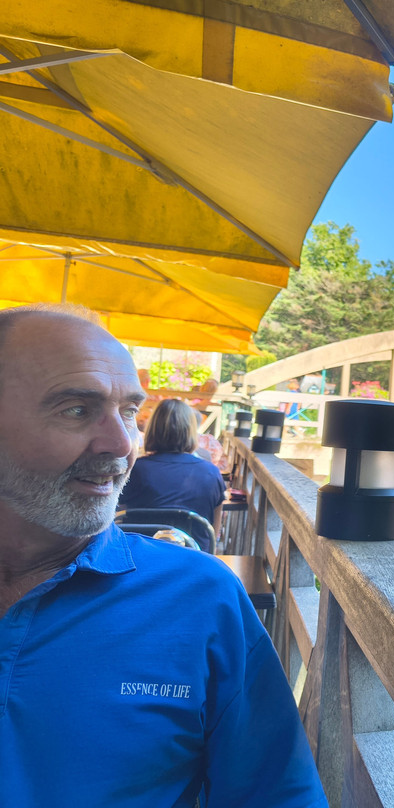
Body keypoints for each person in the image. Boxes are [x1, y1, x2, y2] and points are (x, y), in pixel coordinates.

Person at [0, 305, 326, 807]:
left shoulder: (202, 600)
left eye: (130, 412)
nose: (122, 444)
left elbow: (277, 793)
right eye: (76, 409)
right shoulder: (207, 479)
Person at [119, 398, 227, 551]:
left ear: (153, 428)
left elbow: (120, 518)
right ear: (191, 431)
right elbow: (213, 533)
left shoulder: (135, 469)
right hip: (194, 561)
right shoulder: (211, 472)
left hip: (142, 559)